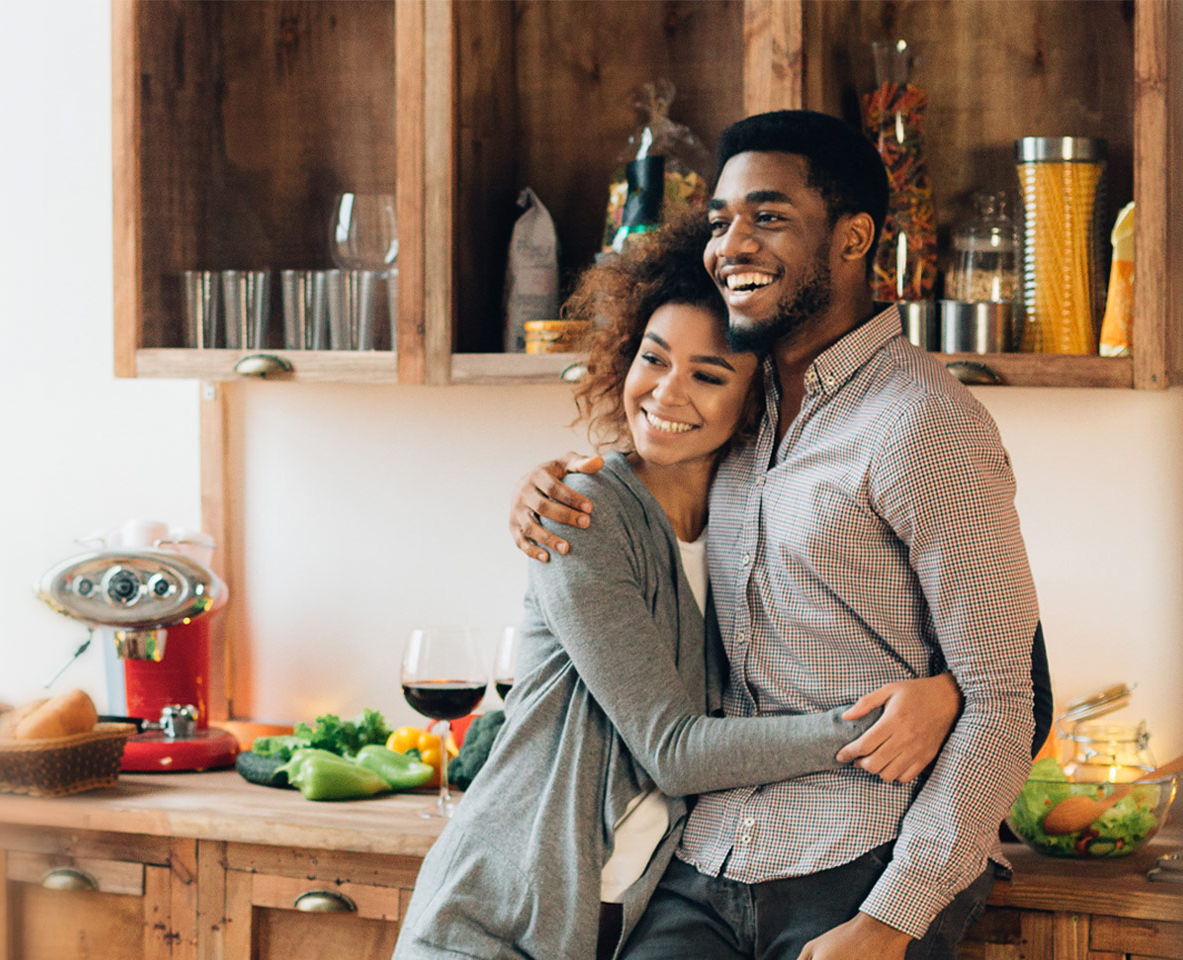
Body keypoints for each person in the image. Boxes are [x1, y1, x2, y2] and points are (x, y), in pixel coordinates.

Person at [507, 111, 1042, 960]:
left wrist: (890, 920)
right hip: (707, 860)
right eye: (719, 222)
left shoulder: (924, 426)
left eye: (768, 216)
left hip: (858, 865)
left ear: (854, 237)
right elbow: (656, 439)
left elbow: (1008, 702)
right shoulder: (744, 416)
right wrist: (553, 485)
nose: (731, 245)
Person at [392, 212, 963, 960]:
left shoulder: (754, 518)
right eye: (653, 360)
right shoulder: (582, 514)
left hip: (614, 922)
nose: (666, 392)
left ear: (758, 398)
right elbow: (675, 751)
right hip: (497, 920)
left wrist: (949, 692)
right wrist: (887, 729)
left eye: (709, 374)